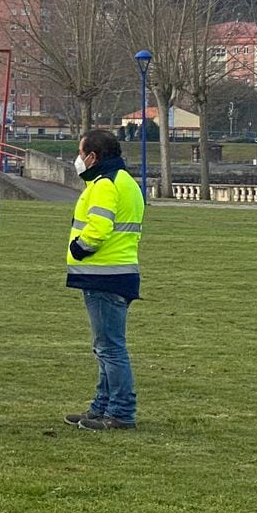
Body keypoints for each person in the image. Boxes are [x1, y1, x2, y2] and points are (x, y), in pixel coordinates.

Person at [64, 128, 143, 431]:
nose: (79, 159)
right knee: (106, 346)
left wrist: (78, 248)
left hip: (103, 274)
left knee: (110, 348)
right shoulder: (126, 182)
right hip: (121, 271)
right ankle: (101, 407)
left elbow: (98, 227)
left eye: (81, 153)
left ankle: (121, 411)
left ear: (93, 156)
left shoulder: (104, 184)